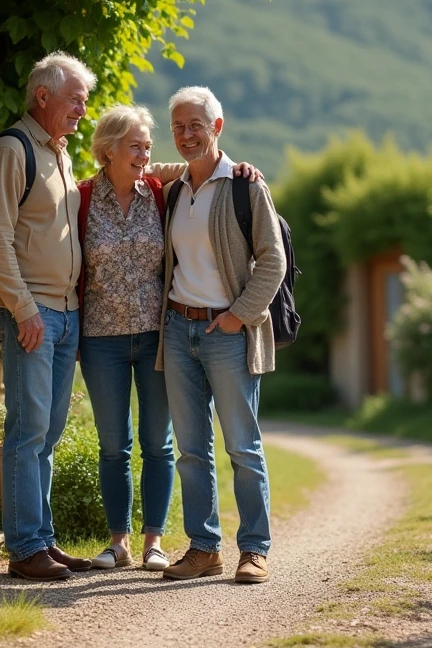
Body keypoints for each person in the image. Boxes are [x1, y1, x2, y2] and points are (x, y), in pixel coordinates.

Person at [77, 104, 263, 573]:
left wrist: (242, 166)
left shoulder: (173, 190)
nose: (145, 153)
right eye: (135, 146)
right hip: (124, 336)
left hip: (179, 334)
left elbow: (205, 160)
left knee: (194, 445)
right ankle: (146, 545)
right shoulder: (87, 197)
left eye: (147, 146)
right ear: (109, 150)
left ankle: (203, 547)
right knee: (140, 446)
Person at [156, 86, 286, 584]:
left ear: (218, 126)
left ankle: (254, 550)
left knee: (242, 447)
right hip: (178, 329)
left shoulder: (246, 187)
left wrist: (239, 314)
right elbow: (151, 169)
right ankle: (203, 548)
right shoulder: (174, 189)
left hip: (228, 331)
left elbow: (272, 260)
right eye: (179, 127)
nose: (187, 135)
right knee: (190, 448)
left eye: (196, 125)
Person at [0, 51, 95, 582]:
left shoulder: (61, 153)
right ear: (42, 96)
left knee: (48, 433)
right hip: (34, 314)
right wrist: (23, 309)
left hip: (65, 314)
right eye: (75, 99)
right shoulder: (12, 149)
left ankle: (41, 538)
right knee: (28, 432)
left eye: (85, 102)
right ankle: (24, 549)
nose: (82, 110)